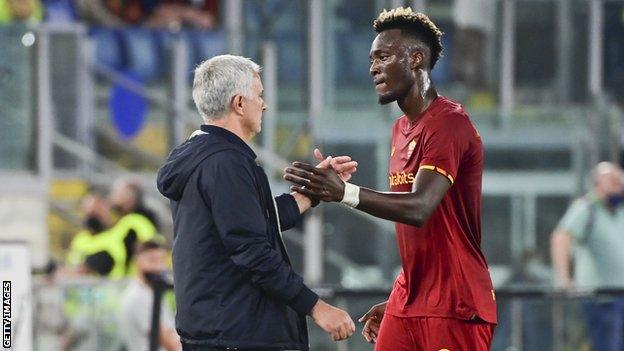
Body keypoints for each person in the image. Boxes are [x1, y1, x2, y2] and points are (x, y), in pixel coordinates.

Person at [284, 7, 497, 350]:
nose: (372, 67)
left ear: (415, 59)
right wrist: (405, 297)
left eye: (382, 56)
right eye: (371, 58)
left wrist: (345, 193)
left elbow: (419, 208)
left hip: (455, 301)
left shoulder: (448, 123)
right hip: (410, 297)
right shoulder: (401, 128)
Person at [156, 54, 357, 351]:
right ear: (239, 103)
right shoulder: (226, 163)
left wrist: (311, 192)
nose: (263, 104)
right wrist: (316, 307)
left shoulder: (205, 156)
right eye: (259, 95)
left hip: (221, 332)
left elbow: (252, 222)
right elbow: (251, 249)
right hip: (237, 335)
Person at [551, 161, 624, 350]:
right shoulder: (586, 208)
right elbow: (561, 237)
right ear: (598, 184)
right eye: (613, 181)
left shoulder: (620, 211)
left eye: (620, 182)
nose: (619, 186)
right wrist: (564, 279)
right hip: (601, 299)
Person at [119, 240, 181, 351]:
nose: (159, 267)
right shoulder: (138, 297)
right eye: (152, 260)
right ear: (136, 261)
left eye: (162, 260)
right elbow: (171, 343)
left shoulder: (153, 292)